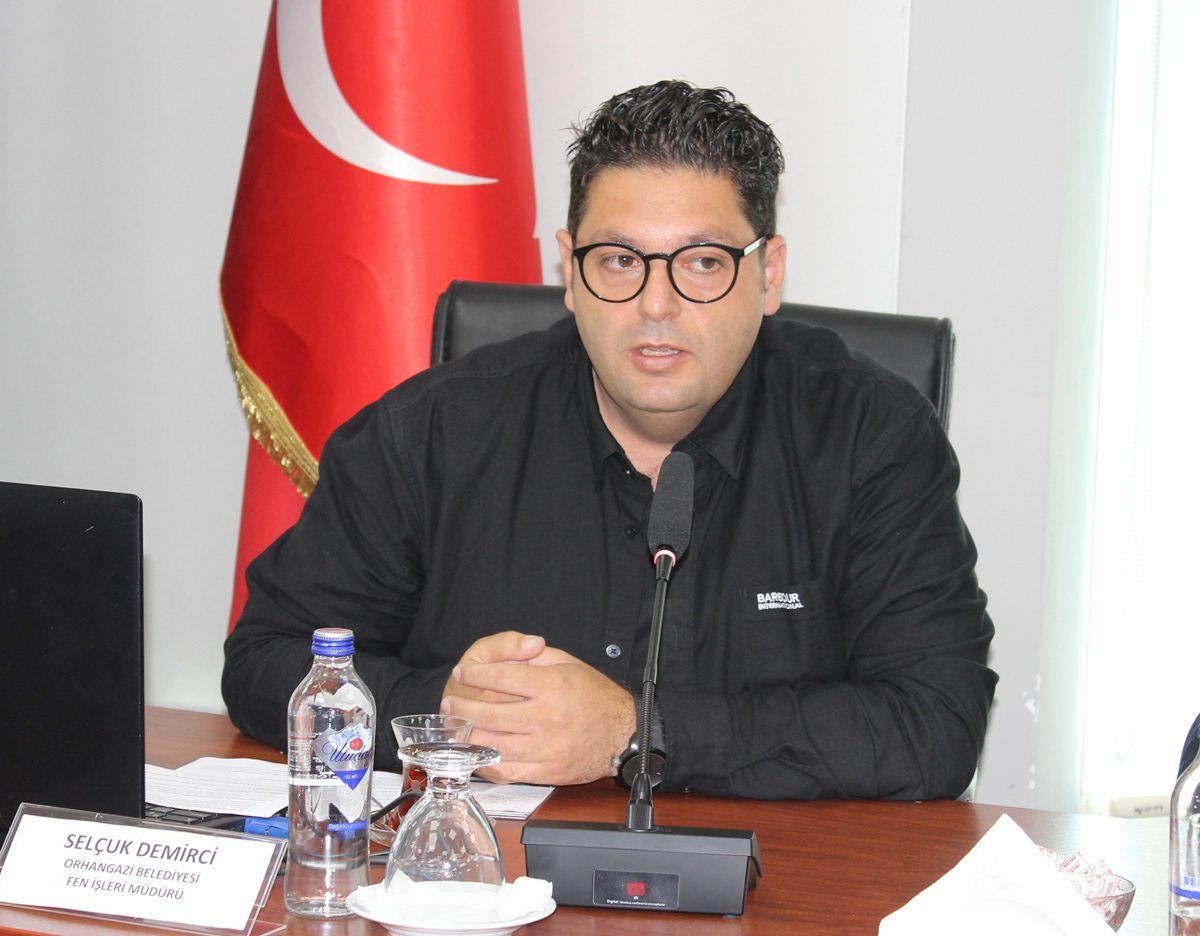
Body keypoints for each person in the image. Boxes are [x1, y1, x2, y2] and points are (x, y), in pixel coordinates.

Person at [222, 80, 996, 801]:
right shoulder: (432, 433)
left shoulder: (870, 436)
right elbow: (266, 659)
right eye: (620, 261)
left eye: (703, 263)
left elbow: (937, 722)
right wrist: (448, 710)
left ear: (768, 276)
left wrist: (636, 731)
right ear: (569, 269)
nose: (656, 304)